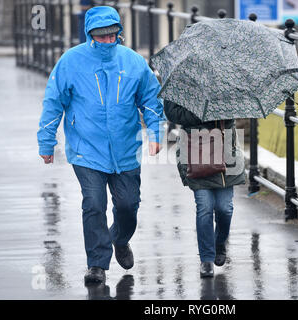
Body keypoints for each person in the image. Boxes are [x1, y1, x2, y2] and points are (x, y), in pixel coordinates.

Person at [37, 6, 164, 284]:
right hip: (86, 148)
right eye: (101, 37)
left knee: (128, 205)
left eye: (112, 36)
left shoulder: (133, 62)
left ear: (119, 34)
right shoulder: (71, 62)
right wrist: (46, 142)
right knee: (94, 204)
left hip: (125, 149)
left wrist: (155, 134)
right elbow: (53, 102)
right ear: (89, 35)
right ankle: (97, 263)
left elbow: (152, 101)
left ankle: (120, 239)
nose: (107, 41)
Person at [164, 101, 245, 278]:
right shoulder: (181, 79)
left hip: (224, 153)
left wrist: (219, 110)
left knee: (225, 208)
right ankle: (206, 259)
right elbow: (172, 112)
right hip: (196, 151)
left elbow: (237, 109)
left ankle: (219, 242)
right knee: (204, 207)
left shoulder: (227, 80)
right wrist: (201, 112)